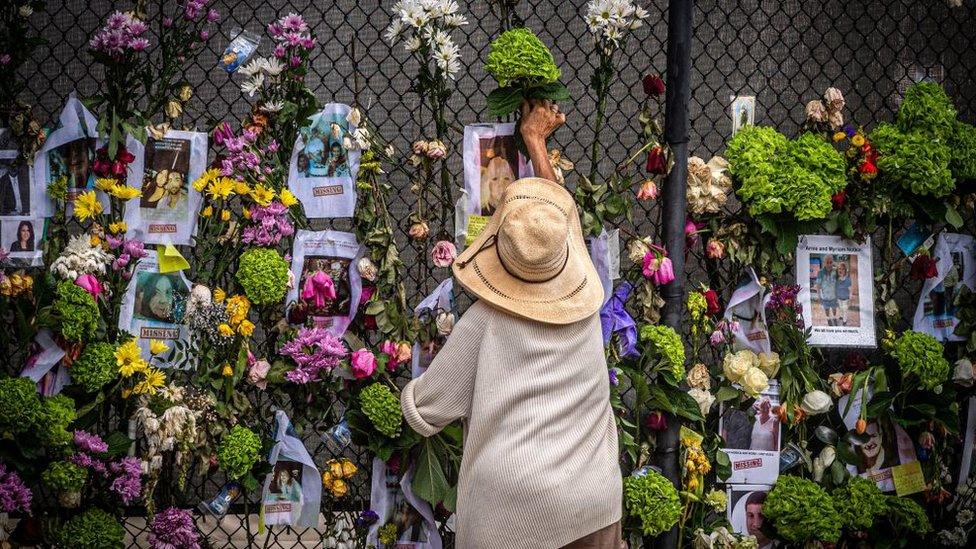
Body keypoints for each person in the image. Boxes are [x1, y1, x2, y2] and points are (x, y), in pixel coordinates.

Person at [400, 99, 623, 549]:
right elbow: (553, 224)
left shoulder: (484, 323)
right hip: (592, 506)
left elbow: (426, 411)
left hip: (511, 514)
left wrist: (404, 387)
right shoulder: (583, 310)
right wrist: (536, 143)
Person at [482, 149, 516, 214]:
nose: (501, 184)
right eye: (495, 179)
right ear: (486, 183)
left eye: (506, 178)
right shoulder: (480, 212)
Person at [814, 255, 838, 325]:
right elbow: (818, 285)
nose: (829, 264)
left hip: (834, 295)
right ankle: (828, 319)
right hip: (825, 296)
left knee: (834, 308)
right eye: (827, 262)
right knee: (826, 308)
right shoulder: (820, 272)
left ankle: (834, 317)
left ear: (832, 262)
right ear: (824, 263)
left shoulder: (835, 271)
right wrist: (819, 296)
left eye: (831, 262)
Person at [836, 261, 852, 326]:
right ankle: (841, 316)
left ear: (845, 270)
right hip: (839, 297)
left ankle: (844, 320)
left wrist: (850, 297)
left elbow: (850, 289)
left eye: (843, 269)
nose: (841, 270)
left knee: (844, 309)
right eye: (839, 269)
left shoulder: (848, 279)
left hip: (845, 298)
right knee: (840, 308)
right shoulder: (837, 279)